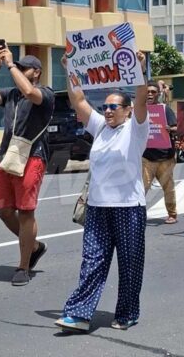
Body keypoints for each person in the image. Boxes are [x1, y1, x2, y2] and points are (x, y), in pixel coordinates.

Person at [54, 51, 149, 332]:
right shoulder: (100, 128)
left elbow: (142, 98)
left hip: (129, 207)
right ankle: (79, 314)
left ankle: (127, 312)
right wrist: (70, 70)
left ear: (128, 110)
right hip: (97, 207)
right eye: (106, 106)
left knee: (130, 264)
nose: (107, 110)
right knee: (92, 260)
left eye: (114, 106)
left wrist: (140, 70)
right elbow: (79, 100)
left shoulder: (136, 129)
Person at [0, 47, 54, 286]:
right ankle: (35, 246)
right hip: (7, 157)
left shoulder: (45, 93)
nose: (18, 70)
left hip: (32, 157)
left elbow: (30, 92)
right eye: (17, 67)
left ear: (36, 72)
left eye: (23, 68)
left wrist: (11, 65)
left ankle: (23, 266)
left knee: (26, 210)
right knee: (4, 210)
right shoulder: (11, 95)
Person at [142, 81, 178, 224]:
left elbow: (176, 127)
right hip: (147, 157)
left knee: (168, 188)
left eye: (153, 92)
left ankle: (172, 214)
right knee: (141, 188)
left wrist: (170, 129)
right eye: (147, 91)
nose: (150, 94)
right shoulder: (140, 110)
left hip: (165, 157)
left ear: (158, 94)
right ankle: (138, 215)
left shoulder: (165, 109)